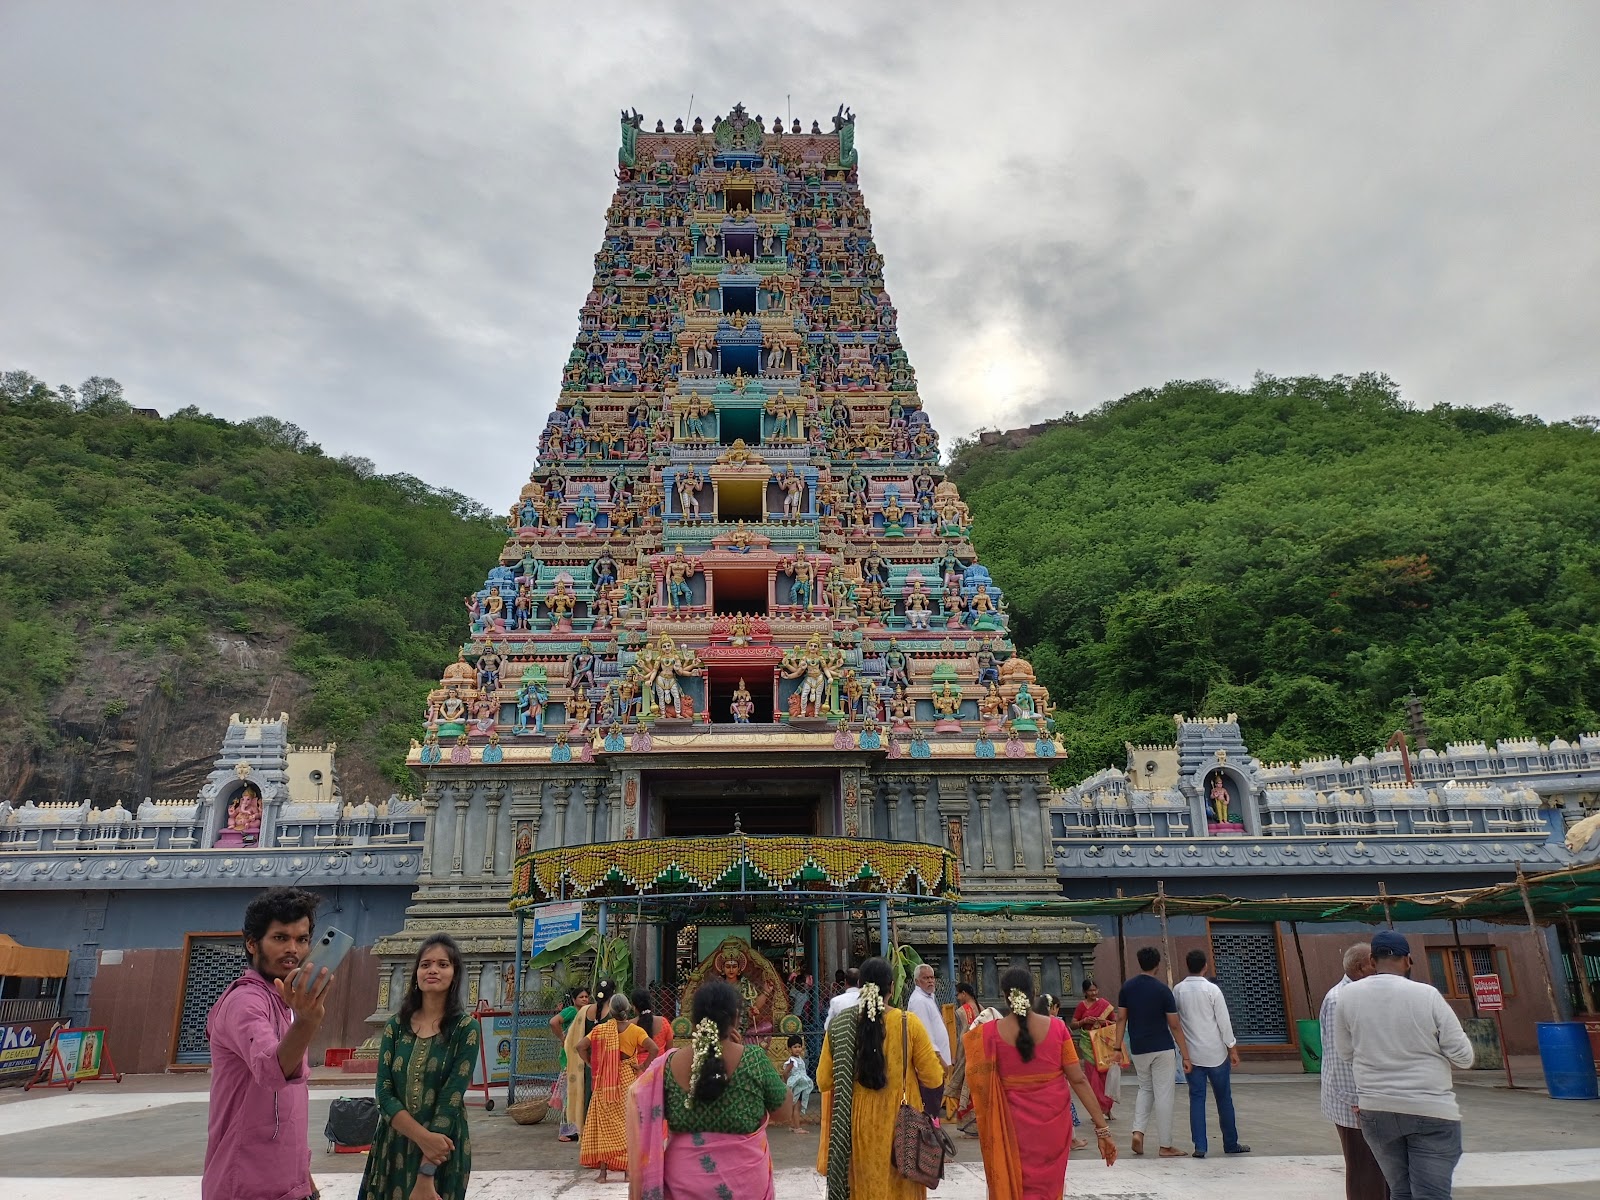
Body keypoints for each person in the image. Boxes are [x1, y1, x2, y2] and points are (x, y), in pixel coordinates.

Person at [203, 886, 330, 1200]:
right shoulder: (245, 1002)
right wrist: (307, 1022)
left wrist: (306, 1179)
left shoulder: (284, 1001)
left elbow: (288, 1108)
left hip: (290, 1185)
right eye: (280, 938)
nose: (293, 950)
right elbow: (272, 1071)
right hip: (245, 1186)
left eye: (301, 939)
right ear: (251, 943)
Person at [1334, 931, 1474, 1200]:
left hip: (1377, 1110)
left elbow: (1345, 1052)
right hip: (1430, 1108)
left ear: (1373, 961)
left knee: (1400, 1191)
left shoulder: (1347, 996)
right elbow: (1463, 1057)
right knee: (1431, 1194)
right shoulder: (1428, 995)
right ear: (1408, 960)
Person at [627, 980, 790, 1200]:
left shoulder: (668, 1065)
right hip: (745, 1184)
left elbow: (642, 1105)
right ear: (734, 1019)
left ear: (694, 1022)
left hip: (682, 1183)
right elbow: (784, 1112)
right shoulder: (753, 1060)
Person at [966, 966, 1117, 1198]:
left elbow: (975, 1079)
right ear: (1034, 993)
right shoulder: (1058, 1028)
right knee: (1048, 1189)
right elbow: (1078, 1080)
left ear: (1005, 997)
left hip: (1010, 1129)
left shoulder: (989, 1035)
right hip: (1052, 1129)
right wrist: (1102, 1129)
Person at [360, 933, 480, 1200]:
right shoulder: (395, 1026)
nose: (433, 970)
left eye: (442, 964)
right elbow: (384, 1092)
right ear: (416, 974)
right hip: (393, 1146)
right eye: (425, 964)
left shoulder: (466, 1029)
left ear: (455, 973)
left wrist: (426, 1173)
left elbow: (451, 1099)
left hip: (442, 1149)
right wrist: (422, 1136)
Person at [817, 956, 945, 1200]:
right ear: (892, 988)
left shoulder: (842, 1024)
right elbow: (933, 1077)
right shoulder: (908, 1023)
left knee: (866, 1188)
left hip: (858, 1124)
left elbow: (824, 1080)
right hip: (904, 1124)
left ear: (861, 988)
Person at [1320, 942, 1391, 1200]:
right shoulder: (1340, 1000)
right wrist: (1358, 1100)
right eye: (1376, 964)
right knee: (1365, 1171)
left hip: (1374, 1099)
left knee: (1383, 1169)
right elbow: (1341, 1058)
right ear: (1362, 968)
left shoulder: (1365, 995)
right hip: (1355, 1104)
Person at [1112, 946, 1191, 1158]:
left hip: (1139, 1049)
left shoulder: (1127, 988)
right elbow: (1174, 1025)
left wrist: (1117, 1048)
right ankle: (1165, 1145)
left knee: (1145, 1089)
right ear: (1157, 964)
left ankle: (1138, 1131)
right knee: (1164, 1094)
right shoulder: (1162, 990)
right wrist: (1186, 1054)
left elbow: (1121, 1018)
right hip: (1162, 1048)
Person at [1173, 949, 1249, 1158]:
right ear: (1205, 966)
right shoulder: (1212, 990)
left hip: (1192, 1055)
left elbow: (1175, 1023)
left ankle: (1200, 1145)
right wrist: (1231, 1048)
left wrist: (1182, 1052)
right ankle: (1230, 1143)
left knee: (1196, 1098)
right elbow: (1223, 1022)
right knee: (1224, 1098)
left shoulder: (1178, 990)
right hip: (1216, 1053)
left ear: (1187, 964)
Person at [578, 993, 660, 1184]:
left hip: (604, 1082)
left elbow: (580, 1046)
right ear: (628, 1009)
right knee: (627, 1125)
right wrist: (642, 1066)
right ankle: (628, 1173)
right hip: (626, 1081)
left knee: (605, 1127)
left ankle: (603, 1174)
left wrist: (592, 1064)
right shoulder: (635, 1031)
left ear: (611, 1012)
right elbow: (654, 1049)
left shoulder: (600, 1030)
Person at [561, 979, 616, 1143]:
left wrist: (587, 1062)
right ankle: (606, 1136)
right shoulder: (613, 1012)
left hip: (589, 1065)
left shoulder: (584, 1011)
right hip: (609, 1064)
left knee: (588, 1098)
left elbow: (573, 1041)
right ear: (613, 994)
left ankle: (588, 1135)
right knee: (607, 1100)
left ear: (594, 993)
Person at [905, 963, 952, 1119]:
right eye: (926, 978)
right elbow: (926, 1037)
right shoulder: (919, 1001)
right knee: (930, 1103)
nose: (931, 981)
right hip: (931, 1063)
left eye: (932, 977)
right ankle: (930, 1136)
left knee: (935, 1102)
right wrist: (941, 1062)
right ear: (917, 981)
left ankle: (933, 1134)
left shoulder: (928, 997)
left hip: (937, 1062)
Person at [1071, 980, 1121, 1119]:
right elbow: (1073, 1025)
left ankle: (1108, 1109)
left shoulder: (1104, 1005)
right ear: (1084, 992)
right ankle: (1097, 1111)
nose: (1093, 993)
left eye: (1095, 990)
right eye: (1090, 990)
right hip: (1088, 1045)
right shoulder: (1082, 1006)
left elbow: (1114, 1022)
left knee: (1105, 1078)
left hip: (1103, 1045)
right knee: (1093, 1078)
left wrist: (1101, 1021)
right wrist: (1084, 1021)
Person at [551, 987, 591, 1140]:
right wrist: (563, 1038)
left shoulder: (586, 1012)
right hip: (570, 1057)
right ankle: (564, 1131)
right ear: (574, 999)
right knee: (570, 1093)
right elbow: (554, 1022)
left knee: (578, 1091)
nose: (584, 999)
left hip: (579, 1057)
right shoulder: (571, 1011)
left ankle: (576, 1127)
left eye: (586, 996)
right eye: (581, 996)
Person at [944, 981, 980, 1126]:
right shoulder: (979, 1007)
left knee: (966, 1090)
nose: (958, 997)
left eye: (958, 994)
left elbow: (962, 1036)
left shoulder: (961, 1011)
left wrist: (956, 1057)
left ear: (964, 994)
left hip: (966, 1054)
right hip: (978, 1053)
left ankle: (969, 1127)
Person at [630, 987, 674, 1067]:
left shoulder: (630, 1026)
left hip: (637, 1070)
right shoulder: (664, 1022)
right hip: (659, 1069)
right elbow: (669, 1051)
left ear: (634, 1007)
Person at [783, 1034, 816, 1131]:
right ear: (789, 1049)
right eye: (794, 1047)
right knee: (796, 1107)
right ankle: (797, 1127)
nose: (797, 1049)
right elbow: (785, 1072)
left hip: (801, 1085)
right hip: (797, 1086)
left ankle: (793, 1125)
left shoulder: (799, 1059)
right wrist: (788, 1082)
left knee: (795, 1107)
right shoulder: (793, 1061)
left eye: (799, 1047)